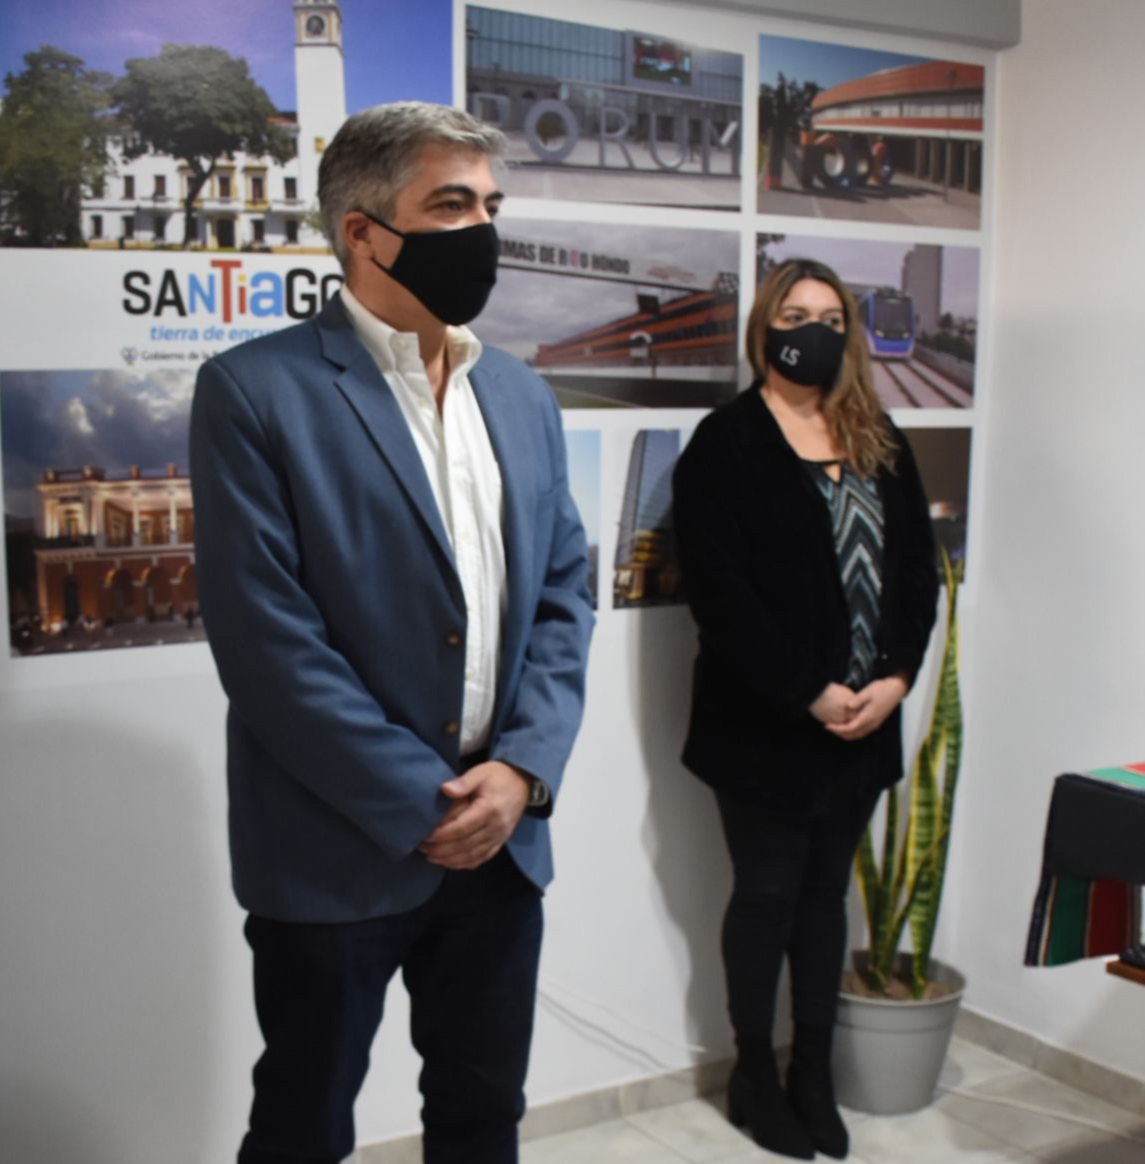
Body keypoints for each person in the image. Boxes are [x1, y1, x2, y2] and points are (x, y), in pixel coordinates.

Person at [190, 102, 595, 1164]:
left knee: (480, 1115)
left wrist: (521, 771)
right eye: (450, 204)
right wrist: (421, 803)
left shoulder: (519, 393)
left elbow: (564, 592)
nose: (483, 231)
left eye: (490, 205)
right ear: (362, 231)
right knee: (304, 1121)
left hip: (503, 841)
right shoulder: (253, 390)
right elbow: (267, 639)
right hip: (336, 845)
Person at [672, 259, 939, 1160]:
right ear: (765, 327)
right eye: (796, 314)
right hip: (766, 727)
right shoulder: (727, 441)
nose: (814, 330)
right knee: (769, 895)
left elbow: (914, 577)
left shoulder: (876, 434)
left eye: (831, 316)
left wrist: (894, 679)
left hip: (865, 723)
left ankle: (811, 1073)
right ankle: (754, 1070)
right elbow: (722, 595)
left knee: (826, 901)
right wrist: (811, 690)